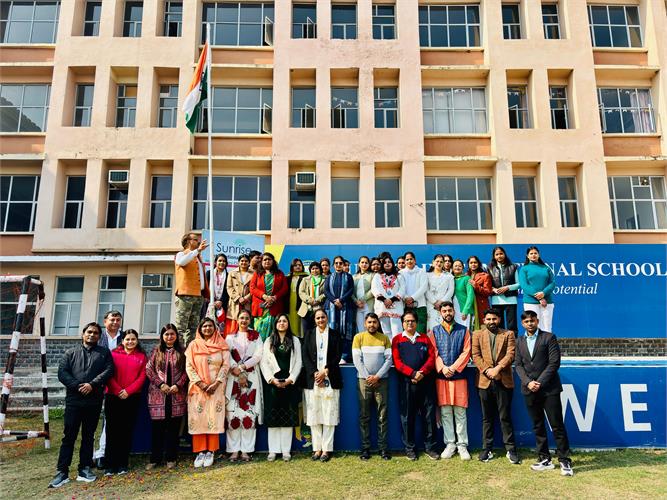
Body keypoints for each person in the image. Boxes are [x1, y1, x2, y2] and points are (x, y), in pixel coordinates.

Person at [49, 322, 113, 488]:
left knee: (88, 435)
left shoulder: (104, 353)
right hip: (74, 400)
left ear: (99, 336)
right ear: (83, 334)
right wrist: (78, 386)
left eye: (95, 333)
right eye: (89, 332)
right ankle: (62, 471)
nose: (92, 335)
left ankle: (84, 468)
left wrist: (92, 384)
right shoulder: (71, 353)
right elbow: (62, 373)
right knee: (69, 436)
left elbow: (108, 371)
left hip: (94, 400)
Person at [514, 310, 573, 476]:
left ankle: (564, 460)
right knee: (537, 425)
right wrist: (528, 382)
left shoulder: (549, 337)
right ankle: (544, 459)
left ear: (537, 321)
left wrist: (539, 382)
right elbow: (518, 365)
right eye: (526, 321)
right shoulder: (519, 341)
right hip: (529, 389)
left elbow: (554, 363)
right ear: (522, 324)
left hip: (549, 389)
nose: (530, 324)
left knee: (557, 425)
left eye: (532, 320)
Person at [471, 308, 519, 464]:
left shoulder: (508, 334)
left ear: (499, 320)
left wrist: (497, 369)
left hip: (503, 380)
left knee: (505, 417)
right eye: (489, 319)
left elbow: (511, 354)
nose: (492, 322)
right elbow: (475, 355)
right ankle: (487, 449)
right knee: (487, 417)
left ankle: (510, 449)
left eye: (494, 319)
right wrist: (487, 370)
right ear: (484, 320)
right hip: (484, 381)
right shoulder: (477, 334)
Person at [392, 311, 439, 461]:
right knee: (407, 417)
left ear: (417, 323)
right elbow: (397, 362)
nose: (410, 323)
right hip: (407, 384)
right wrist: (412, 374)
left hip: (425, 383)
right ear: (402, 323)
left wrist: (421, 373)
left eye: (412, 321)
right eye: (406, 321)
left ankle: (430, 448)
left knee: (428, 416)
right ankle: (410, 449)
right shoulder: (397, 340)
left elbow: (431, 358)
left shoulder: (425, 338)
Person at [428, 302, 471, 461]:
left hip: (459, 377)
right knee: (445, 412)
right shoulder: (434, 331)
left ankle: (462, 445)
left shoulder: (464, 330)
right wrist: (442, 367)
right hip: (442, 377)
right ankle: (450, 444)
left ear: (454, 311)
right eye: (444, 310)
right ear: (440, 313)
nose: (447, 313)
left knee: (460, 412)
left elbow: (466, 351)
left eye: (449, 310)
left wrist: (453, 367)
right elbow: (433, 352)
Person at [185, 317, 230, 468]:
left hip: (216, 389)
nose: (207, 328)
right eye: (204, 326)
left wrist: (216, 383)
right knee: (198, 419)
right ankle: (200, 452)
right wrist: (201, 384)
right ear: (200, 329)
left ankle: (211, 451)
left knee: (212, 417)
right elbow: (189, 367)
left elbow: (226, 365)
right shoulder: (193, 345)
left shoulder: (222, 344)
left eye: (210, 326)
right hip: (198, 389)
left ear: (215, 328)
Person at [104, 329, 147, 475]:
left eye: (133, 339)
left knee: (126, 431)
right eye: (127, 339)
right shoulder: (113, 354)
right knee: (112, 431)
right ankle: (110, 464)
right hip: (113, 397)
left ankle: (122, 463)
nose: (130, 342)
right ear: (122, 341)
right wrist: (118, 390)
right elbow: (108, 374)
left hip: (132, 397)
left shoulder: (142, 357)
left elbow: (142, 377)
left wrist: (128, 391)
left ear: (137, 341)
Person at [302, 309, 343, 462]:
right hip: (312, 380)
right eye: (318, 318)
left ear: (327, 318)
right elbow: (305, 355)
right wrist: (315, 373)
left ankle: (326, 449)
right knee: (314, 416)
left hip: (330, 378)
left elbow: (337, 355)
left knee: (329, 415)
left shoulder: (335, 334)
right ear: (314, 320)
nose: (320, 320)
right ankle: (317, 448)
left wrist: (325, 371)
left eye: (323, 317)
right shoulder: (309, 334)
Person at [260, 314, 302, 462]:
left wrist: (291, 379)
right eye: (279, 321)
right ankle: (273, 451)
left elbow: (298, 362)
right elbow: (263, 362)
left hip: (289, 384)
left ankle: (286, 451)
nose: (281, 323)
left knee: (287, 418)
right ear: (275, 324)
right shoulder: (269, 341)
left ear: (288, 324)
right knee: (273, 418)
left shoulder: (295, 341)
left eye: (284, 321)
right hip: (273, 384)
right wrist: (272, 380)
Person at [145, 323, 187, 470]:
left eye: (172, 334)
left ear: (176, 336)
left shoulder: (182, 352)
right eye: (166, 334)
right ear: (162, 336)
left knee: (173, 429)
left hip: (176, 395)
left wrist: (178, 385)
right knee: (157, 429)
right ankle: (155, 459)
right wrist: (160, 384)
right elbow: (149, 369)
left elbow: (187, 371)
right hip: (158, 395)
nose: (169, 337)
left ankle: (171, 458)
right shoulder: (157, 351)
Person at [352, 313, 392, 461]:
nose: (372, 325)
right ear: (365, 324)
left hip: (382, 381)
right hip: (364, 381)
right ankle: (365, 449)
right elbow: (357, 359)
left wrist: (377, 376)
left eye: (374, 322)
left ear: (378, 324)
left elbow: (389, 359)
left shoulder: (385, 339)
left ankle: (383, 449)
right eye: (369, 322)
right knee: (364, 416)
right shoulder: (358, 338)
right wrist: (368, 377)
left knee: (383, 415)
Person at [225, 310, 264, 462]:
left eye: (247, 318)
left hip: (251, 377)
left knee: (249, 413)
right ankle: (234, 450)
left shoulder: (256, 336)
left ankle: (246, 450)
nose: (244, 320)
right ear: (237, 319)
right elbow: (226, 355)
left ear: (250, 320)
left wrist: (242, 368)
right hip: (233, 378)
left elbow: (258, 355)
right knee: (233, 413)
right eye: (241, 318)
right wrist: (236, 369)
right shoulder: (230, 337)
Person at [94, 310, 124, 469]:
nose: (115, 322)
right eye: (112, 319)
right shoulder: (97, 336)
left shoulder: (124, 337)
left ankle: (102, 452)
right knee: (92, 419)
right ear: (105, 321)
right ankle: (91, 454)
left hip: (117, 383)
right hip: (97, 382)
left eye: (118, 319)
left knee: (109, 419)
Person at [174, 233, 209, 345]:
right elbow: (181, 262)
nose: (198, 242)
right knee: (181, 326)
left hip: (198, 295)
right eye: (195, 239)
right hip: (185, 295)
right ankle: (178, 350)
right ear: (188, 241)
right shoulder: (181, 254)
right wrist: (197, 251)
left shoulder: (197, 257)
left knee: (194, 327)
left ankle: (189, 350)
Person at [323, 256, 355, 362]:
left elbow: (351, 290)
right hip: (331, 308)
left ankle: (345, 356)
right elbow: (326, 291)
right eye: (336, 263)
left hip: (345, 307)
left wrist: (341, 300)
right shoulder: (329, 277)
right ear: (333, 265)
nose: (338, 265)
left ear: (343, 264)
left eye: (340, 263)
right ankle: (333, 356)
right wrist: (334, 301)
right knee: (332, 332)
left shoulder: (348, 277)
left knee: (345, 331)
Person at [250, 252, 288, 341]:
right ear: (261, 262)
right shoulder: (257, 273)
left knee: (273, 333)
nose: (267, 261)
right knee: (258, 333)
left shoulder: (279, 273)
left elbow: (284, 288)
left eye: (269, 259)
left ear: (273, 261)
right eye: (265, 260)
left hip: (275, 307)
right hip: (260, 308)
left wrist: (274, 297)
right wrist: (264, 296)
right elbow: (252, 288)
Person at [518, 246, 556, 332]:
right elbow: (524, 285)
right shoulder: (524, 269)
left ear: (539, 255)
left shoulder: (546, 268)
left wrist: (544, 293)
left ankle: (547, 341)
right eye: (531, 253)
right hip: (530, 302)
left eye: (535, 253)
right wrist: (540, 297)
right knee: (533, 326)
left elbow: (552, 283)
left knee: (547, 326)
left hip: (547, 301)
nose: (533, 255)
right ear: (527, 256)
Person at [372, 254, 405, 339]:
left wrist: (392, 300)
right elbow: (374, 289)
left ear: (392, 264)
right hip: (382, 307)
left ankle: (397, 347)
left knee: (397, 331)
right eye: (385, 262)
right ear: (382, 264)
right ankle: (389, 348)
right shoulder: (377, 276)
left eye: (389, 262)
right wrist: (384, 300)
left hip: (395, 307)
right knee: (387, 333)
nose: (387, 264)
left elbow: (402, 289)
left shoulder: (399, 275)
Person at [488, 246, 520, 332]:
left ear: (505, 254)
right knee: (498, 325)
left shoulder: (513, 266)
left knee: (512, 325)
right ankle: (500, 340)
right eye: (497, 254)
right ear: (494, 256)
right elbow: (487, 285)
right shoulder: (490, 268)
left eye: (501, 253)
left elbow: (519, 284)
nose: (499, 256)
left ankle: (513, 340)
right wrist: (494, 289)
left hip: (511, 299)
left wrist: (507, 288)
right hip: (496, 300)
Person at [400, 251, 428, 334]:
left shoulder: (421, 271)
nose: (409, 261)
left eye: (411, 259)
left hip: (420, 306)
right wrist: (406, 299)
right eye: (407, 259)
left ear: (415, 260)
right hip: (406, 306)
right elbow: (400, 288)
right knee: (407, 332)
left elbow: (424, 287)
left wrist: (412, 298)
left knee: (420, 331)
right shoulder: (401, 273)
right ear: (405, 261)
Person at [425, 255, 455, 331]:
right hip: (431, 305)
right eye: (437, 261)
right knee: (432, 329)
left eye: (441, 262)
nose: (439, 263)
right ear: (433, 262)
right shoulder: (427, 275)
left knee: (445, 328)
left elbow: (451, 290)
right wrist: (434, 302)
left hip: (445, 306)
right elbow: (426, 290)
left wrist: (441, 302)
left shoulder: (449, 276)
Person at [226, 253, 253, 333]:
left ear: (249, 262)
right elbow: (229, 287)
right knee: (234, 324)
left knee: (246, 321)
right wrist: (238, 298)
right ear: (238, 262)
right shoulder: (232, 273)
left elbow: (254, 289)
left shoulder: (254, 273)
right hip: (235, 302)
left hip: (247, 302)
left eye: (246, 261)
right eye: (242, 261)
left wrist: (246, 298)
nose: (244, 262)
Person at [297, 261, 326, 334]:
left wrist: (317, 300)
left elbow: (326, 293)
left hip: (319, 309)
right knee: (306, 332)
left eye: (317, 268)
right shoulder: (305, 279)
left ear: (320, 269)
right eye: (313, 269)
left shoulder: (325, 279)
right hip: (306, 310)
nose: (315, 270)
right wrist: (310, 300)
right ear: (310, 270)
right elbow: (301, 292)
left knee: (318, 332)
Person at [467, 255, 493, 331]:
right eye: (471, 263)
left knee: (482, 328)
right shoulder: (465, 277)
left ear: (478, 264)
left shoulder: (485, 276)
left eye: (475, 262)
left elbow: (488, 292)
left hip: (481, 306)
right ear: (468, 264)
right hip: (468, 306)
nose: (473, 264)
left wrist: (476, 285)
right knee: (468, 327)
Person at [206, 253, 230, 334]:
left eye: (224, 261)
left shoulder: (228, 275)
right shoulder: (209, 273)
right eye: (220, 261)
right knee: (209, 326)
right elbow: (206, 289)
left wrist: (221, 301)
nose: (222, 263)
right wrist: (212, 300)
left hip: (222, 305)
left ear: (226, 263)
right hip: (210, 304)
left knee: (221, 329)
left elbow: (228, 290)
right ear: (215, 262)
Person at [286, 258, 308, 338]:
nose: (298, 267)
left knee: (301, 325)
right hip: (289, 304)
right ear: (292, 267)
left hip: (302, 304)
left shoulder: (306, 277)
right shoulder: (287, 277)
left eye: (299, 265)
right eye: (295, 265)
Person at [352, 256, 374, 334]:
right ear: (359, 264)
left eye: (366, 263)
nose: (364, 264)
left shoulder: (372, 275)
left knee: (369, 327)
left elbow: (373, 290)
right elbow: (351, 292)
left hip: (368, 305)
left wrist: (362, 300)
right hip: (358, 306)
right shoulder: (354, 277)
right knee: (360, 328)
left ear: (369, 264)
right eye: (362, 262)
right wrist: (356, 301)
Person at [452, 259, 474, 328]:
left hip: (464, 310)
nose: (457, 267)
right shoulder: (451, 279)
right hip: (454, 310)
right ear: (452, 268)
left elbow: (470, 295)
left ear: (463, 268)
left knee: (466, 330)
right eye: (455, 266)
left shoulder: (466, 278)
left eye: (459, 266)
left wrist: (466, 310)